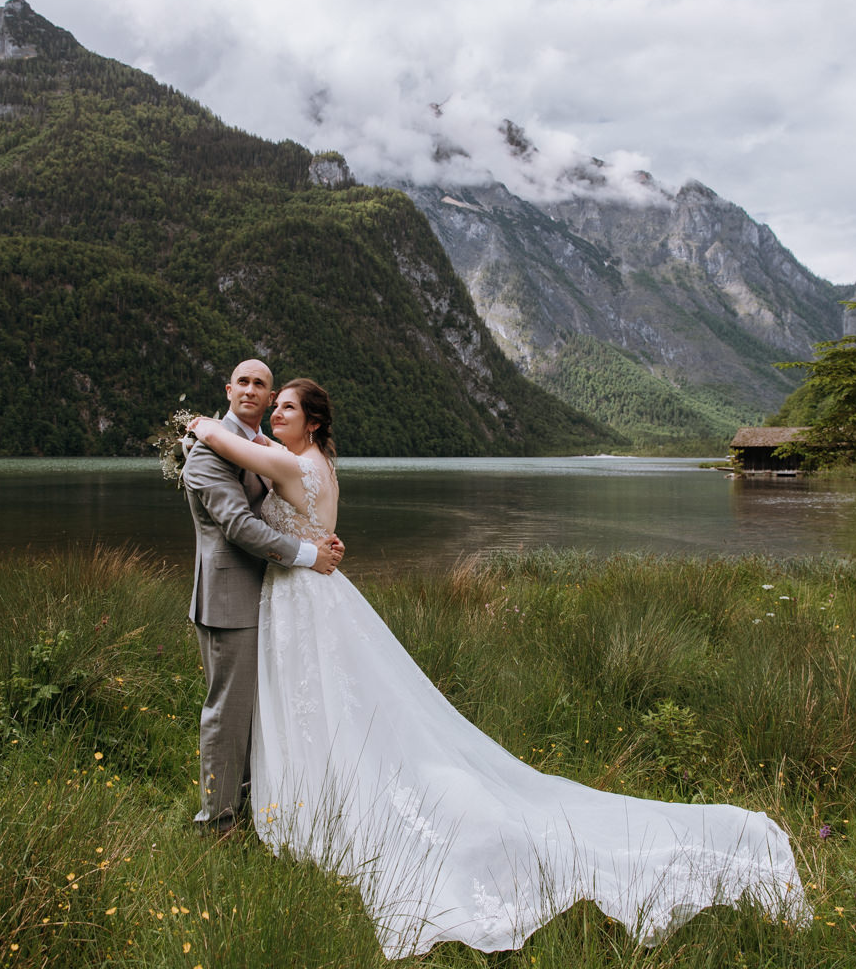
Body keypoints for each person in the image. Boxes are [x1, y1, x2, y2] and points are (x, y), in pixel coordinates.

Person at [189, 378, 808, 959]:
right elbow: (273, 469)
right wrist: (270, 460)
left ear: (313, 420)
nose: (271, 412)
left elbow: (226, 442)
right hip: (315, 594)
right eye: (271, 405)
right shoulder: (318, 464)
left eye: (285, 406)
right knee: (326, 704)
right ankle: (297, 798)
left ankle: (309, 807)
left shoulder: (291, 463)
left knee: (321, 705)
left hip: (301, 595)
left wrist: (193, 423)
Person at [182, 359, 343, 837]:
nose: (252, 391)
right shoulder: (208, 453)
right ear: (229, 390)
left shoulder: (264, 449)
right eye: (244, 382)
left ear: (270, 397)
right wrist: (310, 551)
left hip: (276, 596)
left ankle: (259, 804)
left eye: (262, 385)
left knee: (271, 707)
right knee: (228, 714)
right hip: (231, 598)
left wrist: (321, 540)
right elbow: (238, 524)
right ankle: (217, 822)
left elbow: (290, 502)